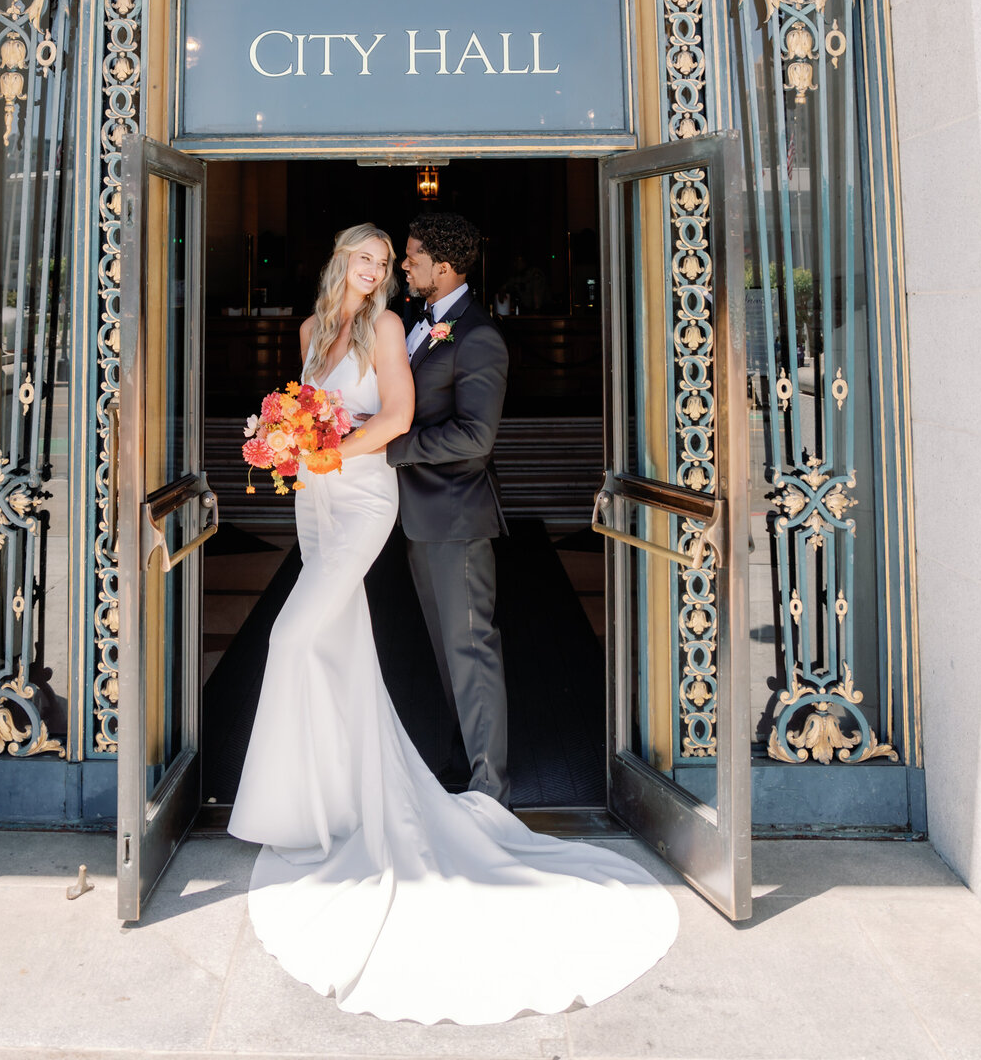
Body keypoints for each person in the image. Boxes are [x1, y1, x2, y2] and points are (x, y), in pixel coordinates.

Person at [228, 221, 678, 1024]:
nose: (388, 268)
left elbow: (445, 429)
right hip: (329, 505)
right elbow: (311, 408)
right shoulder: (325, 327)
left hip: (403, 500)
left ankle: (489, 794)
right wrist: (282, 445)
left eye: (396, 258)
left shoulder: (443, 332)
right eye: (369, 258)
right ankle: (330, 793)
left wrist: (341, 453)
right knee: (355, 646)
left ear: (445, 263)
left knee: (344, 639)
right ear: (341, 263)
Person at [388, 212, 511, 804]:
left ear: (443, 266)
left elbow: (474, 437)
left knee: (470, 649)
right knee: (447, 650)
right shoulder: (420, 321)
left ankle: (491, 789)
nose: (403, 264)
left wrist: (393, 447)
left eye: (412, 255)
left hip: (458, 517)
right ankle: (467, 768)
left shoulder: (478, 336)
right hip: (423, 518)